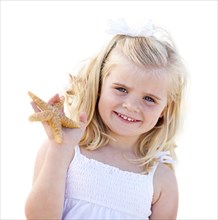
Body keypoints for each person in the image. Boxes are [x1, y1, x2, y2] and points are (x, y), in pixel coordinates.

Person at [25, 18, 188, 219]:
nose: (131, 106)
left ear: (165, 108)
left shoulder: (161, 179)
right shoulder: (65, 150)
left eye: (149, 98)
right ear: (99, 86)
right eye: (121, 89)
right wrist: (59, 150)